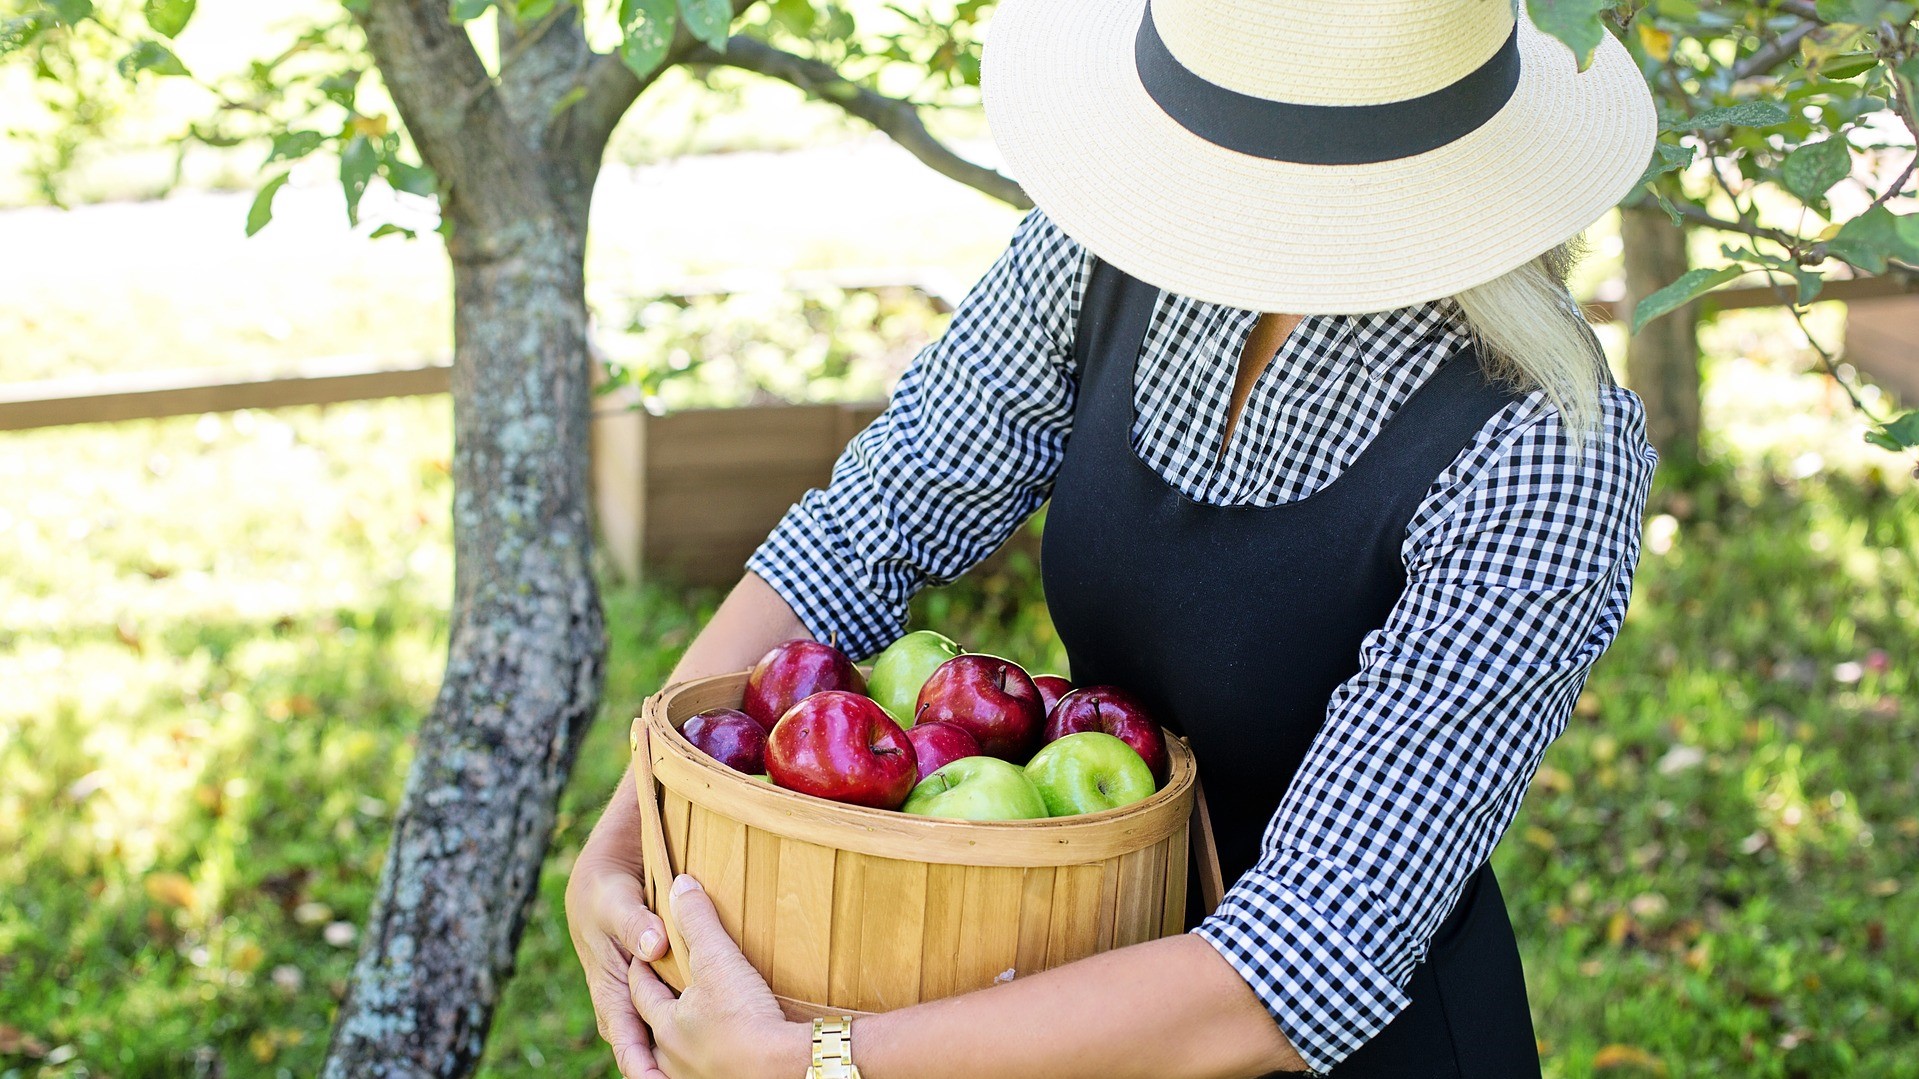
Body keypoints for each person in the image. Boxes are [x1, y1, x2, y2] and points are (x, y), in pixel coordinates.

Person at [566, 0, 1660, 1075]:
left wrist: (818, 1061)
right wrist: (634, 825)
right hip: (1049, 982)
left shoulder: (1542, 444)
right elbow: (868, 529)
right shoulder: (1119, 243)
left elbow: (1303, 960)